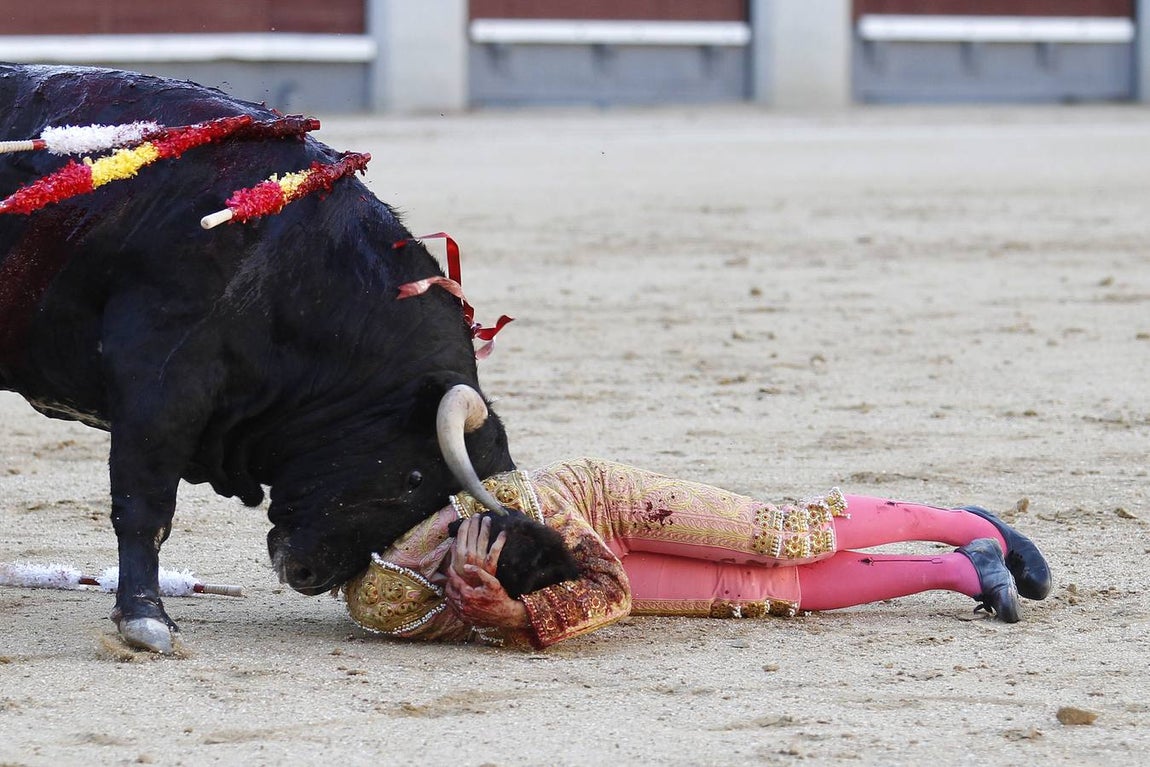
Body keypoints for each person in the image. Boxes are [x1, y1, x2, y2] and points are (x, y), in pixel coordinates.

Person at [343, 458, 1051, 649]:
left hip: (605, 504)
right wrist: (509, 616)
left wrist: (507, 615)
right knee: (756, 594)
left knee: (783, 536)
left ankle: (965, 523)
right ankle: (964, 571)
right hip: (544, 571)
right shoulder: (389, 607)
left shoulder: (517, 500)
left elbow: (610, 587)